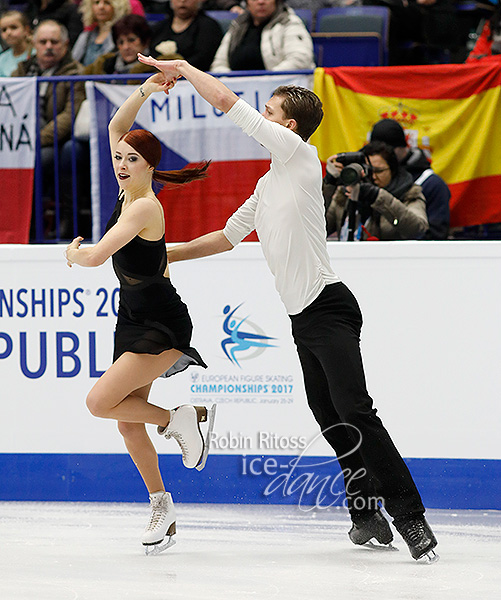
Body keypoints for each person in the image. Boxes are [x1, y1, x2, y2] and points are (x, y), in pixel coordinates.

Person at [137, 53, 439, 562]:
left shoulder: (299, 157)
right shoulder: (267, 183)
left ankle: (411, 518)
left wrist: (184, 69)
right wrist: (162, 251)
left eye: (270, 112)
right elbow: (227, 237)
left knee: (356, 412)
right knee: (332, 417)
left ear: (288, 126)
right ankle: (365, 514)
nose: (262, 117)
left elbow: (231, 105)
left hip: (330, 307)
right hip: (304, 318)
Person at [64, 72, 216, 554]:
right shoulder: (126, 192)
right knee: (127, 420)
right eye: (120, 159)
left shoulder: (143, 208)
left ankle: (179, 418)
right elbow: (115, 127)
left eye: (133, 159)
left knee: (98, 403)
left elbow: (93, 257)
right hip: (132, 316)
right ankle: (161, 505)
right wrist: (148, 88)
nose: (123, 164)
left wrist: (71, 254)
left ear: (151, 167)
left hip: (160, 322)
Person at [11, 20, 85, 239]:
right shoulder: (22, 71)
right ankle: (19, 222)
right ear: (34, 44)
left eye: (54, 41)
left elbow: (68, 117)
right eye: (43, 42)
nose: (48, 46)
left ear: (65, 44)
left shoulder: (76, 72)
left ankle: (63, 220)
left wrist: (35, 139)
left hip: (58, 139)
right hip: (24, 137)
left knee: (49, 156)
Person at [323, 141, 429, 241]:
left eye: (379, 171)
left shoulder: (409, 193)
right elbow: (320, 227)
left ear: (392, 170)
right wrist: (329, 184)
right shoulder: (346, 192)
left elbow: (418, 228)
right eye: (367, 170)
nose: (373, 176)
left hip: (390, 258)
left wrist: (377, 196)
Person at [370, 118, 450, 240]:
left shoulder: (430, 183)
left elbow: (435, 235)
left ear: (402, 147)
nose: (381, 157)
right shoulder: (371, 179)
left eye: (386, 153)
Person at [210, 0, 315, 72]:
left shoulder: (289, 22)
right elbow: (219, 63)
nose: (260, 2)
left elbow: (300, 60)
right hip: (239, 92)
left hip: (278, 93)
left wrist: (266, 80)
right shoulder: (237, 26)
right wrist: (230, 83)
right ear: (247, 4)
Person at [149, 0, 223, 71]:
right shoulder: (160, 27)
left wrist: (177, 68)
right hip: (159, 74)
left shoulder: (208, 26)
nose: (182, 1)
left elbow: (203, 58)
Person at [72, 0, 132, 66]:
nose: (101, 7)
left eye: (107, 3)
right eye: (97, 2)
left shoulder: (124, 37)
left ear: (117, 7)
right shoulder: (85, 36)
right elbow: (74, 63)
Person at [0, 10, 33, 76]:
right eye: (4, 30)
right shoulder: (1, 59)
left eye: (13, 27)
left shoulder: (37, 54)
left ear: (26, 30)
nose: (8, 33)